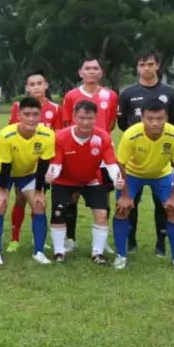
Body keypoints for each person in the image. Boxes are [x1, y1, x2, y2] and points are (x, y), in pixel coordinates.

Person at [117, 51, 174, 256]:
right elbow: (121, 123)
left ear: (157, 66)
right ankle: (130, 241)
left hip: (161, 155)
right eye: (142, 64)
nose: (146, 68)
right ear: (137, 67)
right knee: (130, 203)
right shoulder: (128, 93)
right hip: (134, 154)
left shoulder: (170, 93)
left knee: (163, 204)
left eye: (150, 64)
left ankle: (161, 244)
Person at [112, 100, 174, 272]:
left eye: (160, 118)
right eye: (150, 118)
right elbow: (120, 165)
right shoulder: (131, 134)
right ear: (142, 118)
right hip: (132, 174)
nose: (155, 123)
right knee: (122, 209)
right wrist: (124, 195)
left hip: (162, 174)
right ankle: (121, 256)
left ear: (167, 117)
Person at [46, 100, 122, 266]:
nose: (85, 122)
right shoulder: (61, 136)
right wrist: (52, 174)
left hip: (91, 179)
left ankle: (97, 253)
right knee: (58, 213)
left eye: (90, 118)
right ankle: (59, 251)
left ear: (96, 117)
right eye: (81, 118)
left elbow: (110, 162)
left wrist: (118, 178)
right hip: (64, 180)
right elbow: (56, 162)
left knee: (102, 214)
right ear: (74, 117)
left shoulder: (103, 137)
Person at [0, 97, 56, 265]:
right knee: (0, 203)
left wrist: (40, 191)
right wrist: (2, 189)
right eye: (27, 114)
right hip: (3, 172)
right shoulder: (6, 134)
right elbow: (6, 165)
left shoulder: (48, 135)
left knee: (39, 205)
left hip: (28, 173)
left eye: (35, 114)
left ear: (40, 116)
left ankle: (38, 252)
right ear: (19, 115)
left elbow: (44, 165)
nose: (31, 118)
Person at [59, 56, 119, 252]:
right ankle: (70, 238)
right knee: (73, 195)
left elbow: (110, 124)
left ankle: (103, 240)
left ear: (101, 73)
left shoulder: (110, 96)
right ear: (80, 72)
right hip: (76, 153)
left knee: (103, 197)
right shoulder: (71, 96)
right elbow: (67, 124)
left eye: (95, 68)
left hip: (101, 154)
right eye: (88, 68)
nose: (92, 71)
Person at [5, 69, 62, 252]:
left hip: (43, 163)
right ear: (27, 88)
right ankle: (15, 239)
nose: (36, 87)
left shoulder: (55, 109)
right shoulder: (17, 107)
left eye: (40, 83)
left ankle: (39, 240)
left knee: (38, 200)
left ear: (46, 85)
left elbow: (58, 138)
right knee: (20, 198)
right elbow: (12, 133)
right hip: (22, 162)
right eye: (32, 84)